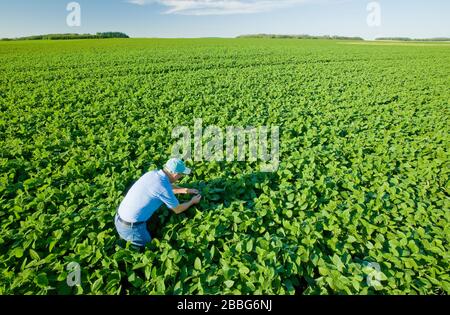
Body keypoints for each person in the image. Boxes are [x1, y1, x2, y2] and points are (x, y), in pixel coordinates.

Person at [114, 158, 201, 247]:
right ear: (175, 174)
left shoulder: (152, 174)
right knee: (147, 248)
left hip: (119, 217)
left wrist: (184, 190)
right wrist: (192, 201)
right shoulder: (163, 188)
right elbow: (177, 209)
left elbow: (165, 186)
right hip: (132, 228)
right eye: (181, 174)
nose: (181, 177)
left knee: (126, 242)